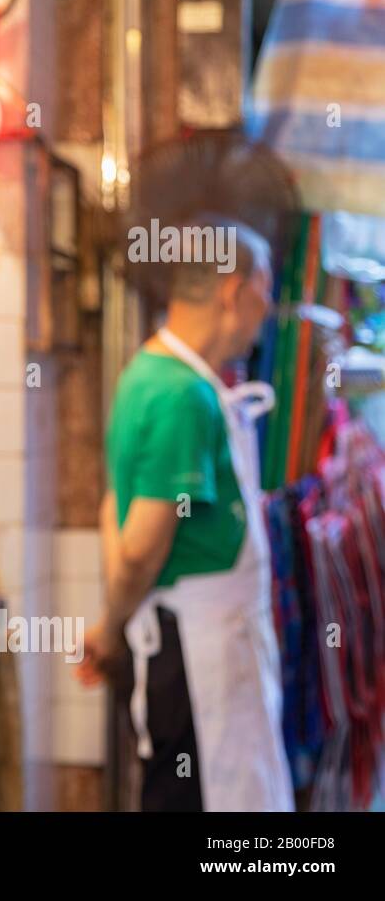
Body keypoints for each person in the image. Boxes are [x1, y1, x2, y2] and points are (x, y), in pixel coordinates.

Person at [76, 214, 295, 812]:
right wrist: (112, 627)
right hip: (194, 657)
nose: (266, 309)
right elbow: (142, 545)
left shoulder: (150, 373)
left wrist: (110, 622)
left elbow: (111, 504)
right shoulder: (180, 394)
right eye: (264, 291)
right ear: (233, 290)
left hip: (194, 642)